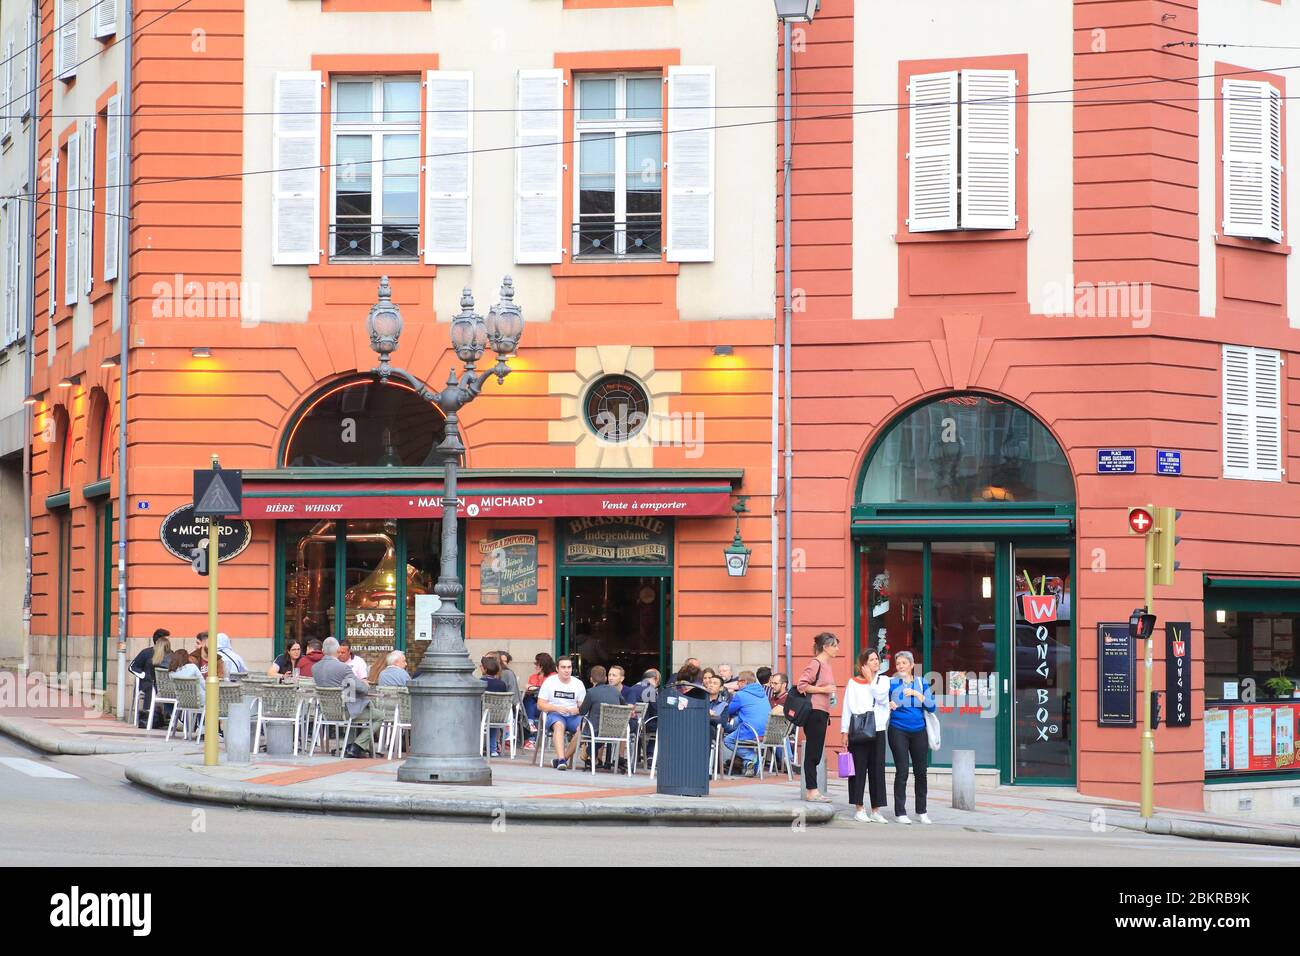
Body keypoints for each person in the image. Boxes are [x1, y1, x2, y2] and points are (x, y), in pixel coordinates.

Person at [842, 648, 891, 823]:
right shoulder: (853, 682)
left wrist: (871, 680)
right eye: (871, 660)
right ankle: (859, 807)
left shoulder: (883, 680)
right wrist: (844, 731)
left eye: (877, 659)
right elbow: (847, 708)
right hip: (858, 729)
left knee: (877, 769)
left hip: (877, 729)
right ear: (863, 664)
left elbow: (882, 698)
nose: (876, 662)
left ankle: (876, 809)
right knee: (858, 769)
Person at [888, 649, 936, 825]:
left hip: (919, 731)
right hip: (897, 729)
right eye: (898, 663)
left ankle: (921, 811)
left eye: (904, 663)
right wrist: (888, 704)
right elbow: (880, 704)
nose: (900, 666)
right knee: (902, 771)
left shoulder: (921, 682)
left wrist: (918, 694)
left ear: (911, 665)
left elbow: (932, 707)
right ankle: (900, 812)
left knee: (921, 772)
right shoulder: (891, 683)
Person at [311, 637, 375, 759]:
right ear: (337, 650)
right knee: (378, 716)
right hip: (345, 711)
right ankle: (357, 746)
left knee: (351, 705)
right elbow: (362, 688)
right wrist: (365, 684)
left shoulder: (315, 668)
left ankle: (349, 744)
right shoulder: (343, 668)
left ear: (323, 650)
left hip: (326, 712)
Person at [797, 632, 839, 803]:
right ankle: (812, 791)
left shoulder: (826, 665)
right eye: (835, 645)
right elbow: (801, 685)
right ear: (825, 647)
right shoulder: (815, 664)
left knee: (816, 752)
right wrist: (824, 690)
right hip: (814, 711)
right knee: (813, 753)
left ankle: (814, 790)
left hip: (822, 711)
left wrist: (830, 694)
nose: (837, 649)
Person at [538, 656, 586, 770]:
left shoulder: (578, 684)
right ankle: (561, 759)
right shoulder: (550, 682)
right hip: (555, 714)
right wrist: (556, 708)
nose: (567, 670)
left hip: (573, 716)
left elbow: (583, 707)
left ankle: (563, 759)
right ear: (557, 668)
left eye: (569, 667)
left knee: (584, 727)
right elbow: (540, 704)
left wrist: (575, 710)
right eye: (563, 667)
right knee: (559, 726)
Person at [720, 670, 770, 776]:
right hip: (766, 732)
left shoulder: (741, 695)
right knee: (739, 721)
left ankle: (751, 757)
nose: (737, 684)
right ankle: (749, 765)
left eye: (738, 681)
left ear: (743, 682)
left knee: (728, 740)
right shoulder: (763, 693)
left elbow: (728, 710)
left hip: (751, 731)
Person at [578, 664, 627, 771]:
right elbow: (624, 707)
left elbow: (582, 712)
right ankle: (590, 755)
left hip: (595, 731)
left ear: (591, 679)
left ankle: (587, 752)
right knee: (602, 731)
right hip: (615, 730)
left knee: (590, 728)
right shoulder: (616, 692)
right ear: (605, 678)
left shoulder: (591, 692)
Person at [130, 629, 170, 727]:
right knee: (150, 688)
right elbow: (132, 667)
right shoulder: (146, 653)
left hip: (164, 684)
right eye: (166, 640)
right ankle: (147, 717)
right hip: (147, 683)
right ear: (159, 641)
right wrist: (144, 675)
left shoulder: (170, 654)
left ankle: (170, 717)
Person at [522, 652, 557, 751]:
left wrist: (535, 688)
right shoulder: (533, 676)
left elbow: (550, 692)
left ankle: (531, 736)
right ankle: (530, 724)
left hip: (547, 707)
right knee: (528, 700)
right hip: (534, 705)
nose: (535, 665)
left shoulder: (553, 676)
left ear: (543, 664)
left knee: (531, 706)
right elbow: (529, 688)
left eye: (537, 663)